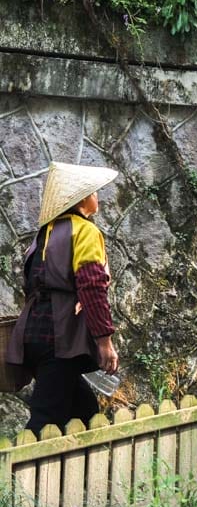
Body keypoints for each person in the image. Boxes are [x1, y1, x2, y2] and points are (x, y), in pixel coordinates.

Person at [5, 162, 120, 435]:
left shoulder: (43, 235)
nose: (97, 197)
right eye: (93, 192)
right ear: (81, 199)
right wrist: (105, 341)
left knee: (86, 413)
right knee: (44, 420)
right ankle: (13, 476)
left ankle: (95, 468)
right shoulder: (85, 231)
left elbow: (32, 285)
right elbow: (92, 286)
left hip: (32, 334)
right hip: (60, 337)